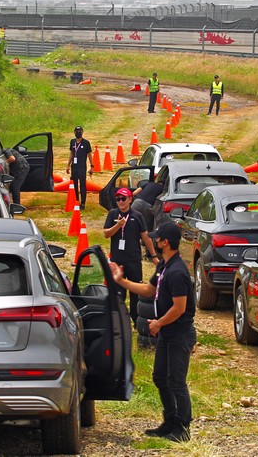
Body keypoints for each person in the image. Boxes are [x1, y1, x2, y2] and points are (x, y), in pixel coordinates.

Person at [109, 222, 196, 443]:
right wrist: (121, 281)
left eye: (157, 238)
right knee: (160, 377)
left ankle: (183, 428)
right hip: (167, 332)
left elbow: (180, 308)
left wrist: (158, 323)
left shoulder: (177, 271)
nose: (153, 241)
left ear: (165, 242)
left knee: (176, 381)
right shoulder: (165, 266)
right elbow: (150, 290)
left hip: (179, 332)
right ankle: (169, 422)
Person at [104, 187, 159, 324]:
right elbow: (106, 234)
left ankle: (136, 320)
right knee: (118, 293)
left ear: (130, 199)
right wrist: (118, 226)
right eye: (118, 199)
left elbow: (146, 238)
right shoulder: (113, 214)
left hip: (133, 259)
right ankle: (119, 321)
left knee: (135, 292)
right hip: (117, 260)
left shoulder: (137, 216)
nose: (121, 202)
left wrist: (153, 256)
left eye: (123, 199)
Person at [66, 126, 94, 210]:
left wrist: (92, 166)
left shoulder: (86, 143)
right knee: (74, 185)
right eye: (76, 131)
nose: (78, 132)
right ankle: (76, 201)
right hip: (74, 167)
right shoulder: (72, 142)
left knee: (82, 185)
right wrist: (68, 165)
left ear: (82, 132)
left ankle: (83, 203)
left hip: (82, 167)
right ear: (74, 132)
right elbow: (71, 153)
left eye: (80, 131)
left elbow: (89, 155)